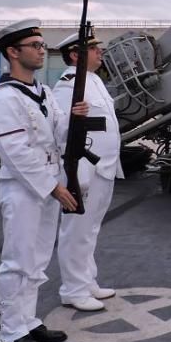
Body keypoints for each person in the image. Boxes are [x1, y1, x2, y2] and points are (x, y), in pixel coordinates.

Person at [0, 19, 89, 342]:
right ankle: (11, 334)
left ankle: (27, 321)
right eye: (35, 46)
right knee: (18, 261)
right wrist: (54, 188)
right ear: (13, 52)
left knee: (38, 259)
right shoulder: (3, 99)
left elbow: (57, 134)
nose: (42, 51)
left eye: (43, 45)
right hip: (24, 189)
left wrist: (75, 118)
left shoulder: (41, 92)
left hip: (48, 184)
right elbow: (17, 153)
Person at [51, 29, 122, 313]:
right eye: (93, 49)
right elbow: (58, 128)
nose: (100, 52)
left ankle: (87, 280)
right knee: (76, 229)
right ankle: (73, 289)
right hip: (83, 166)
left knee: (90, 228)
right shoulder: (68, 85)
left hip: (103, 164)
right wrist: (73, 117)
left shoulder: (94, 81)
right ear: (75, 55)